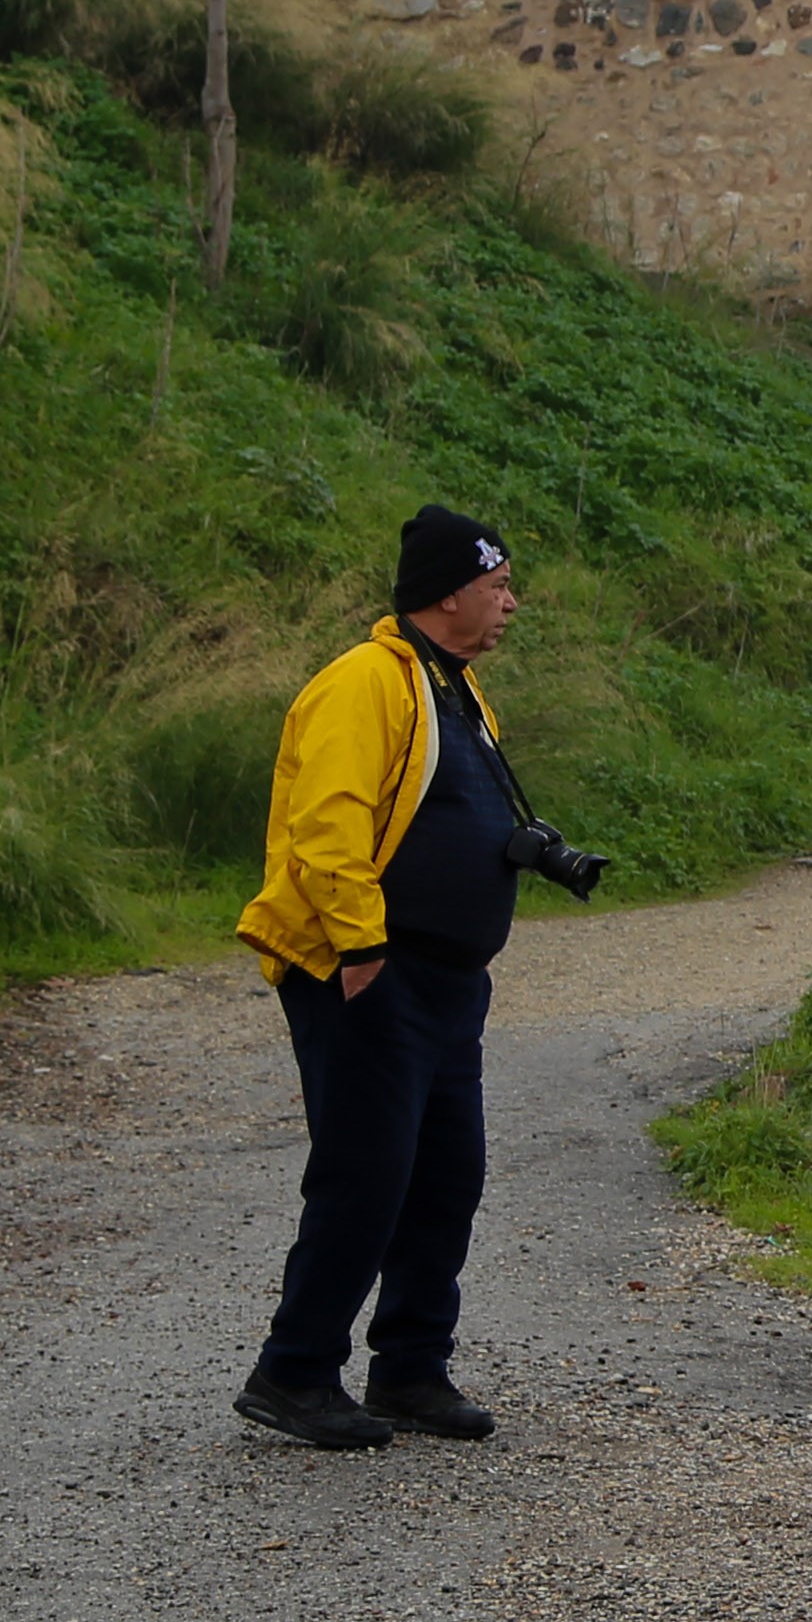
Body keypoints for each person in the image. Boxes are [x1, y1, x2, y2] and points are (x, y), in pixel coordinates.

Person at [232, 507, 544, 1450]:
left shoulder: (456, 689)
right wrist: (363, 955)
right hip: (371, 972)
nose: (510, 603)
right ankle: (294, 1372)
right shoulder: (362, 683)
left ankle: (411, 1367)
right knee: (366, 1175)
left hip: (449, 984)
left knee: (447, 1175)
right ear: (447, 592)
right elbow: (326, 829)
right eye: (497, 585)